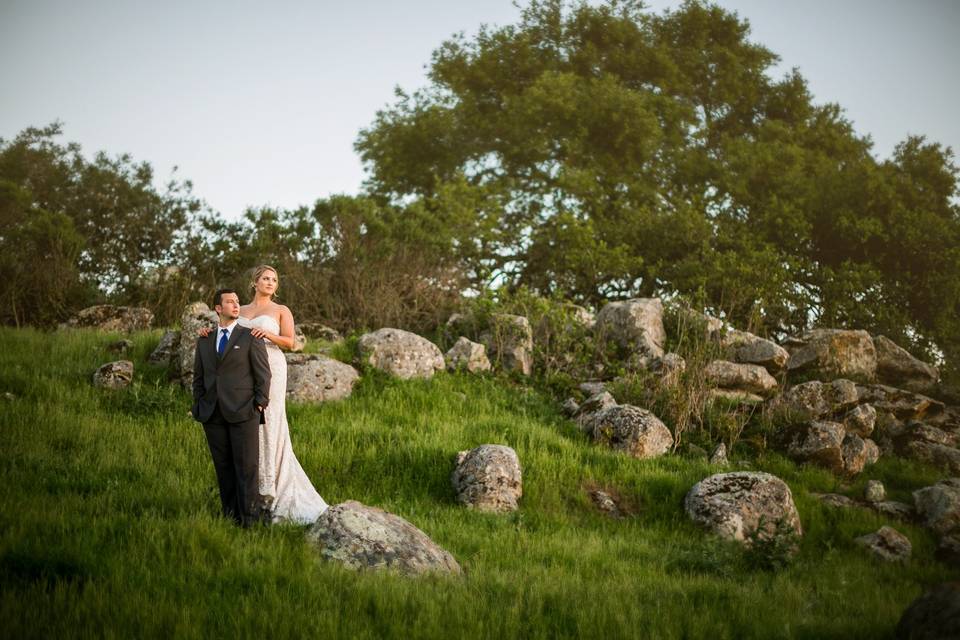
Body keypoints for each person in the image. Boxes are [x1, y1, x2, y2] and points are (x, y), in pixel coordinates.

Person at [202, 265, 329, 524]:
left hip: (272, 365)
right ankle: (248, 490)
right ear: (255, 282)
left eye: (274, 279)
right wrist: (206, 334)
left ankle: (270, 487)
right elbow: (225, 332)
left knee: (269, 422)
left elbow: (291, 342)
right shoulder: (242, 310)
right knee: (247, 426)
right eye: (266, 278)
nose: (270, 282)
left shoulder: (281, 311)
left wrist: (267, 333)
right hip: (243, 372)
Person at [192, 289, 271, 527]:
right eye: (230, 302)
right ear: (218, 308)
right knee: (223, 468)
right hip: (212, 413)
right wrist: (198, 404)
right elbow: (198, 377)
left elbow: (263, 375)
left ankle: (250, 521)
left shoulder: (250, 337)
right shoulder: (205, 339)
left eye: (237, 301)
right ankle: (230, 518)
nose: (236, 305)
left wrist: (259, 403)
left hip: (244, 411)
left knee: (247, 468)